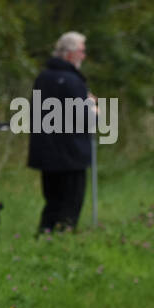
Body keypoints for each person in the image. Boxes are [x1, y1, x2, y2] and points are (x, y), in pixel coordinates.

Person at [28, 32, 97, 233]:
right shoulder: (73, 81)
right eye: (82, 51)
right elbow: (85, 118)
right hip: (72, 155)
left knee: (52, 203)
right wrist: (94, 107)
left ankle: (44, 238)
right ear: (69, 54)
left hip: (46, 154)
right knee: (70, 205)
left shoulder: (42, 78)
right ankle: (63, 244)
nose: (84, 56)